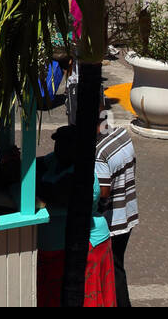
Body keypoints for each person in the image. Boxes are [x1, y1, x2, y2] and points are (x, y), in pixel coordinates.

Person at [36, 124, 117, 307]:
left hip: (88, 247)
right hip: (59, 250)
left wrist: (30, 186)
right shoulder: (55, 161)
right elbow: (37, 165)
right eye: (58, 143)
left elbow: (54, 193)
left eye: (64, 144)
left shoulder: (81, 175)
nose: (58, 149)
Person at [94, 112, 138, 308]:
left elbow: (103, 193)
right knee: (117, 264)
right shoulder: (122, 135)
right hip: (129, 212)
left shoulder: (99, 152)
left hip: (113, 221)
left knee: (114, 268)